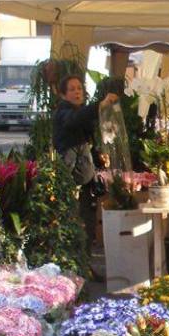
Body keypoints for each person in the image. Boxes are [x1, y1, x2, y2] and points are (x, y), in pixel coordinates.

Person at [51, 74, 118, 256]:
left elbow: (85, 142)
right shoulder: (64, 112)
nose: (77, 92)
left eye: (79, 88)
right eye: (72, 89)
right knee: (76, 220)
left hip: (85, 176)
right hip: (72, 179)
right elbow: (75, 120)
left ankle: (85, 263)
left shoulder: (79, 112)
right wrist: (100, 105)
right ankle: (76, 265)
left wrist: (98, 157)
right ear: (63, 95)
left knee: (87, 221)